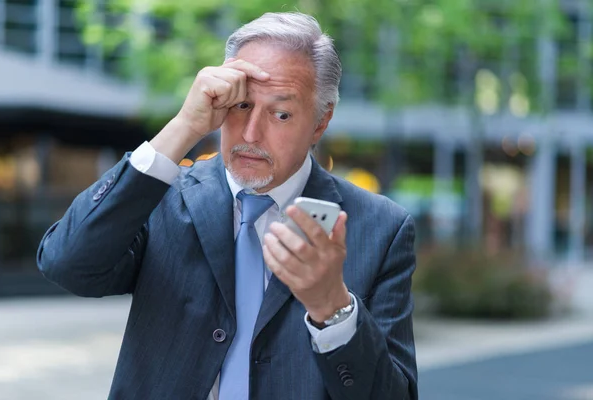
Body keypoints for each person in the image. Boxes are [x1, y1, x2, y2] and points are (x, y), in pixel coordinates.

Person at [37, 12, 418, 400]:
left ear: (321, 122)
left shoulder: (381, 229)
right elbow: (67, 265)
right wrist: (184, 125)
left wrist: (333, 309)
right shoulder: (162, 196)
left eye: (281, 114)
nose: (251, 134)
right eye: (241, 106)